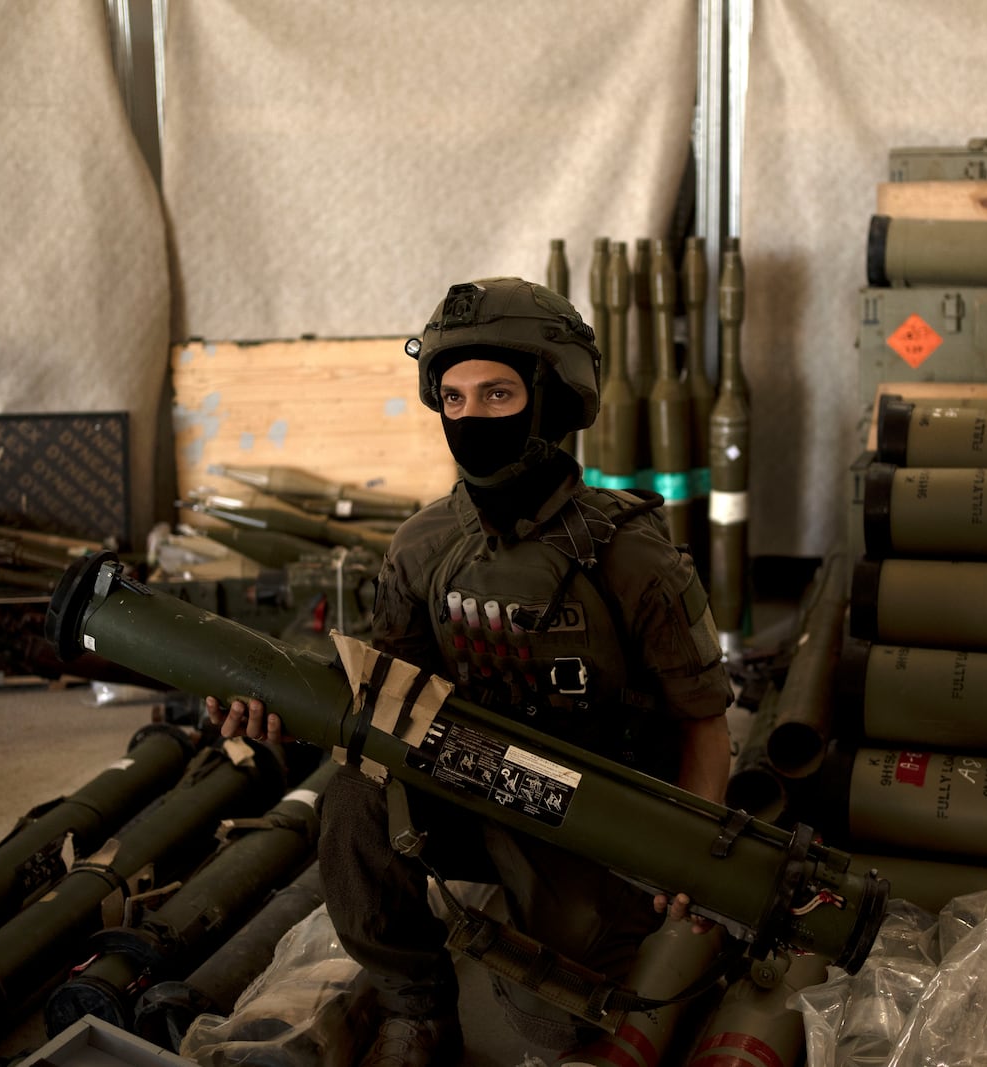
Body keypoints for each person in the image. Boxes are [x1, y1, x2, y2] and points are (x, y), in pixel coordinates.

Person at [209, 276, 731, 1067]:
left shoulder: (630, 553)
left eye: (496, 392)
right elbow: (383, 701)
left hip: (597, 818)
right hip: (467, 792)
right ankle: (414, 1007)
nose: (471, 417)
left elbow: (703, 717)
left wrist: (687, 854)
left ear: (554, 397)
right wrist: (287, 702)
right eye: (452, 398)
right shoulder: (423, 547)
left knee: (560, 1024)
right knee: (352, 794)